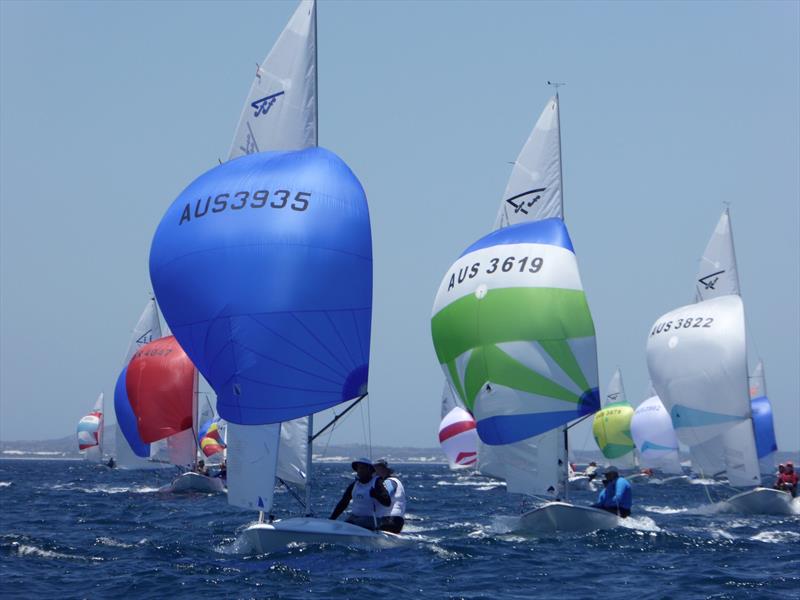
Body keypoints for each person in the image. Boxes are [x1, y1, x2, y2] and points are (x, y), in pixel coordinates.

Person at [329, 457, 391, 530]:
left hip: (374, 520)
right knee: (346, 525)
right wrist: (331, 519)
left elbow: (388, 502)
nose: (360, 471)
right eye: (358, 468)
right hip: (355, 518)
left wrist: (376, 495)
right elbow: (343, 502)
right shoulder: (355, 485)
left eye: (362, 468)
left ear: (369, 470)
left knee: (352, 525)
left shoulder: (377, 483)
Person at [373, 459, 406, 533]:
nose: (374, 472)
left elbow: (385, 494)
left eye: (376, 469)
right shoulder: (393, 480)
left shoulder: (389, 481)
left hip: (390, 519)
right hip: (396, 520)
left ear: (384, 470)